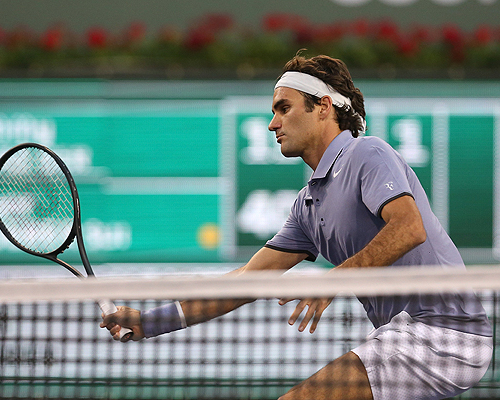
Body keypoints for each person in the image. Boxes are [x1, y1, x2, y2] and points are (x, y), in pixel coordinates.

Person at [101, 52, 493, 400]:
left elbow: (409, 228)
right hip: (406, 335)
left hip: (447, 334)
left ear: (323, 107)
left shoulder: (367, 152)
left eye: (283, 108)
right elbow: (244, 283)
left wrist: (333, 280)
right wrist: (148, 322)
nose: (273, 123)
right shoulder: (307, 207)